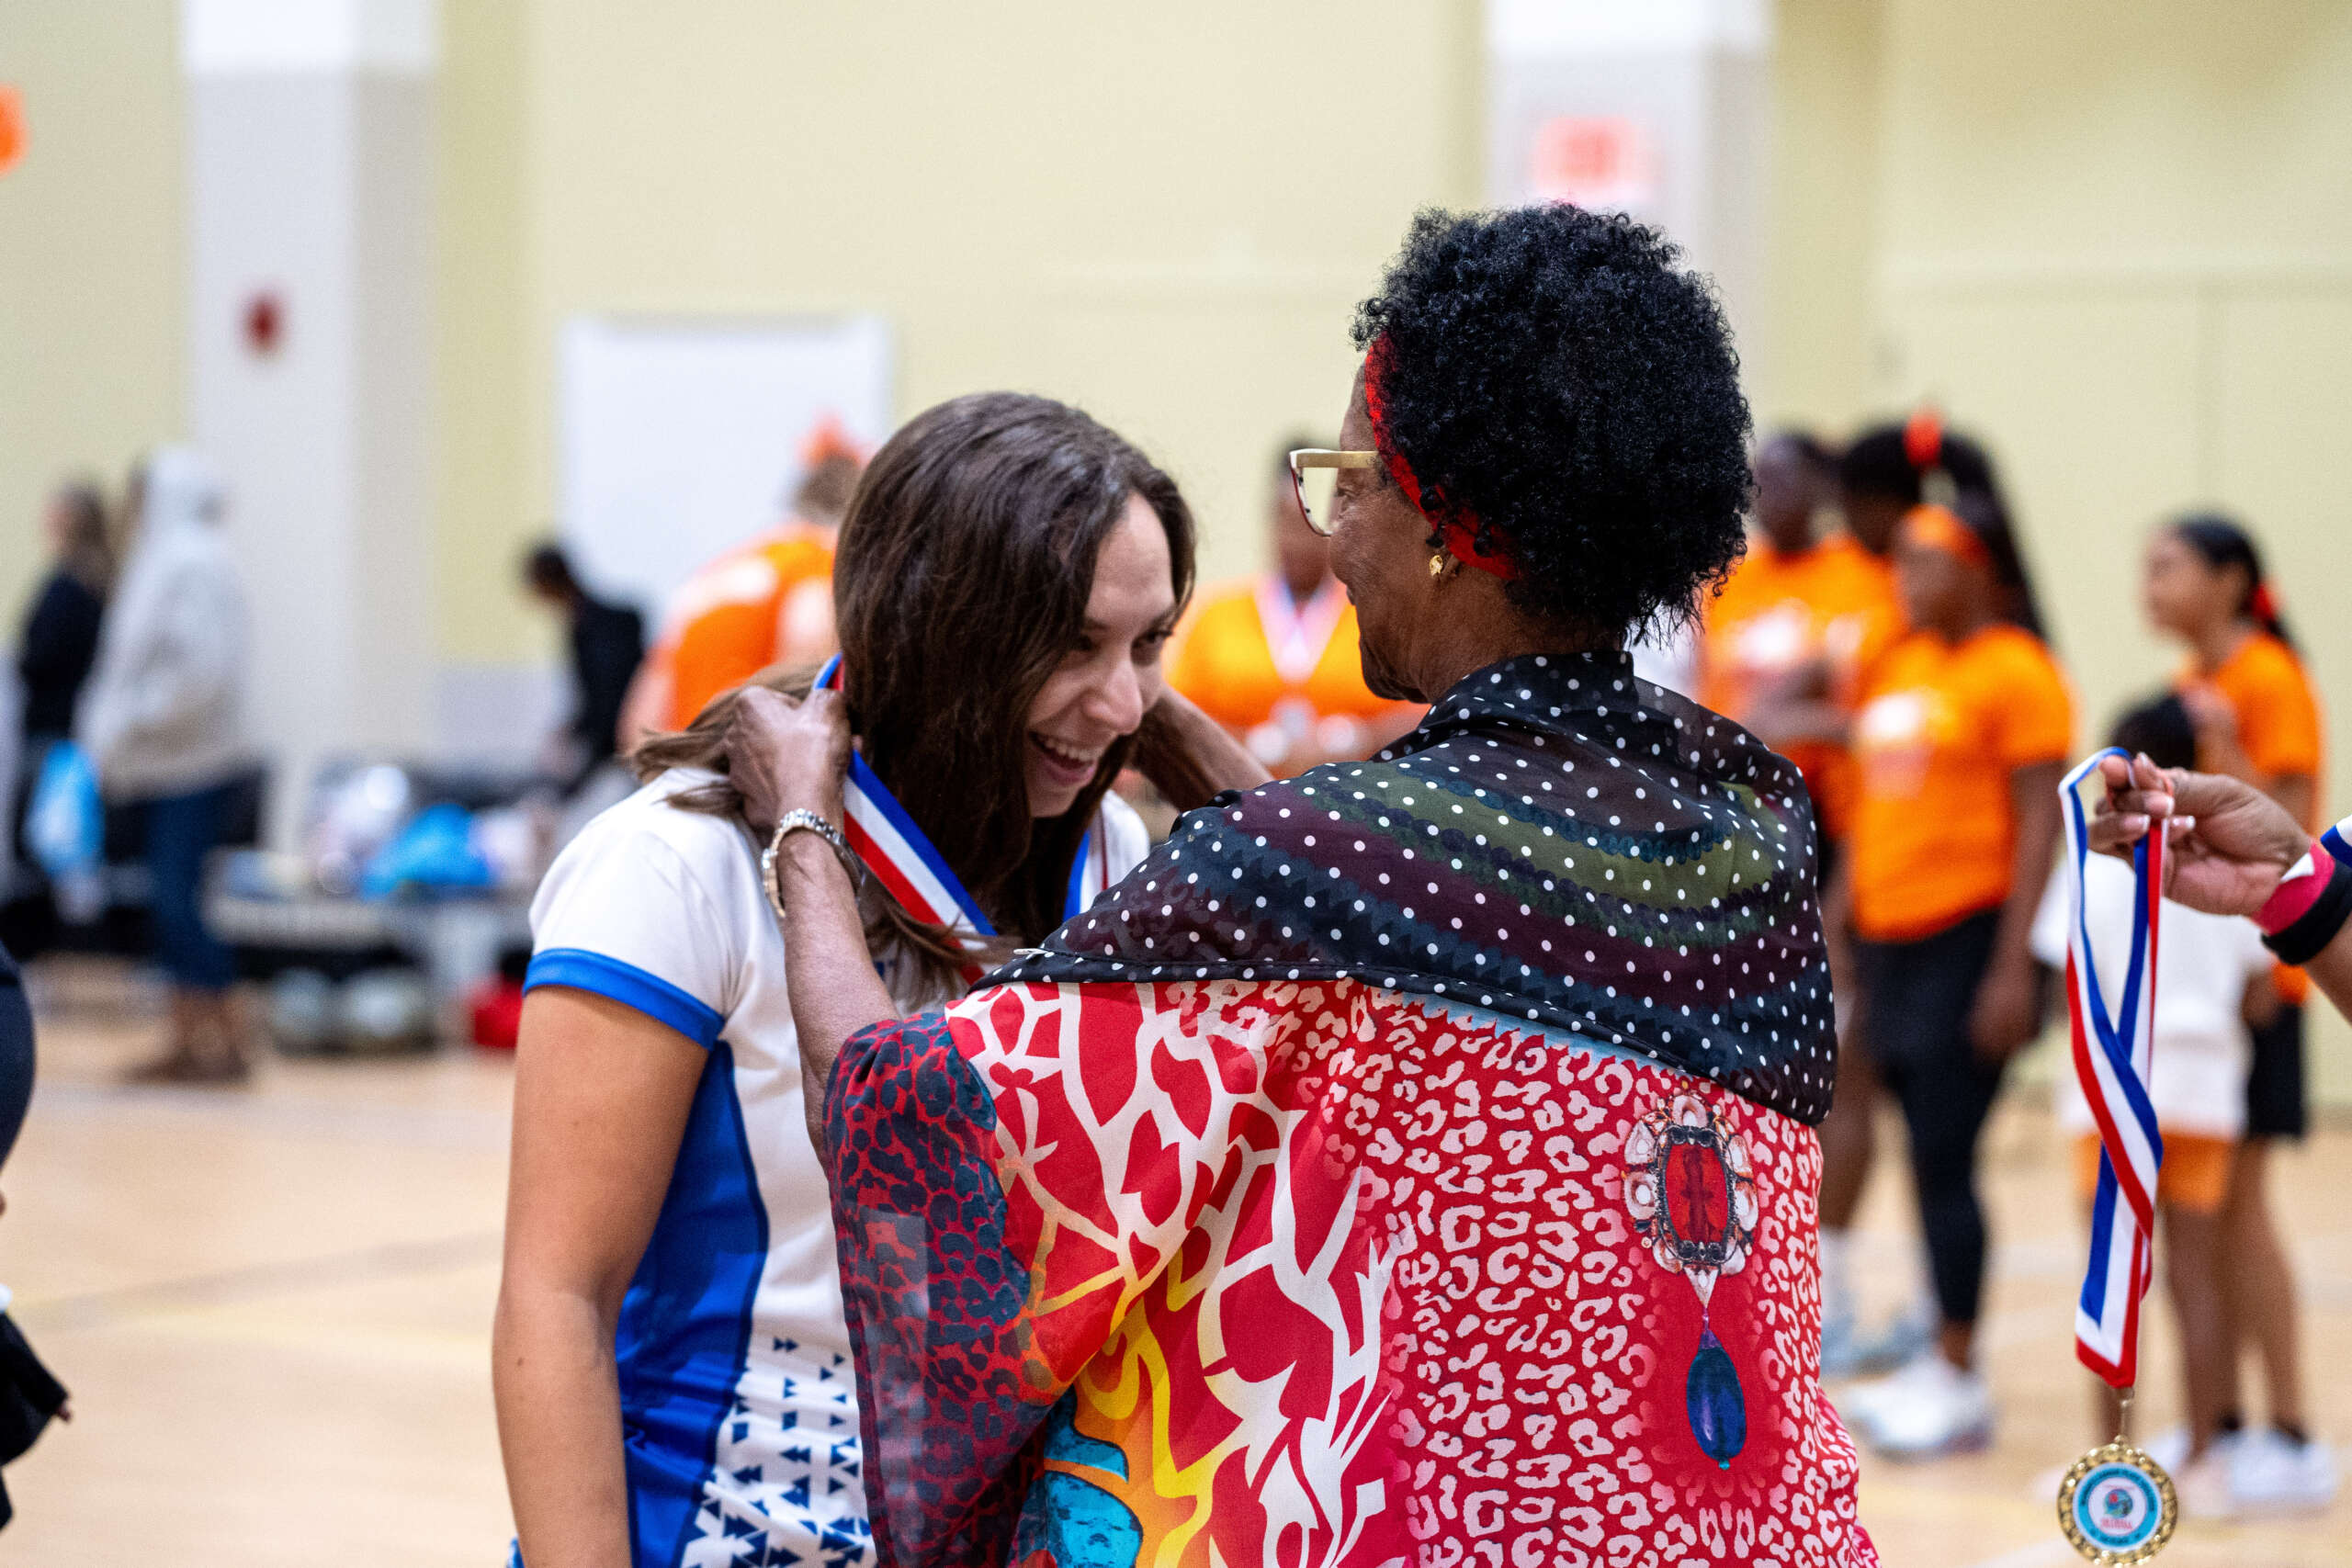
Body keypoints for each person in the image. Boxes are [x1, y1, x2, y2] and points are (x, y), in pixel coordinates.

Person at [734, 206, 1871, 1565]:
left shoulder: (1322, 867)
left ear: (1450, 520)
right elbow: (1428, 926)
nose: (1335, 537)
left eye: (1354, 481)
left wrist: (802, 816)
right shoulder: (1749, 816)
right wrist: (1191, 738)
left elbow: (900, 1106)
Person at [492, 392, 1266, 1568]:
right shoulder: (675, 864)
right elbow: (557, 1300)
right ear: (941, 631)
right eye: (1072, 644)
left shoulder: (1111, 849)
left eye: (1146, 643)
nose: (1119, 704)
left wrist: (1172, 731)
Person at [1836, 491, 2071, 1457]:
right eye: (1900, 565)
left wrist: (2013, 968)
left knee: (1943, 1157)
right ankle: (1919, 1342)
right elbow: (1868, 811)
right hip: (1884, 942)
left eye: (1926, 563)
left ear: (1976, 570)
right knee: (1880, 1130)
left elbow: (2040, 827)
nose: (1906, 580)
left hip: (1966, 941)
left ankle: (1958, 1369)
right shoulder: (1898, 662)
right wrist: (1837, 920)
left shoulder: (2016, 670)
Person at [2028, 694, 2271, 1513]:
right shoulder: (2215, 856)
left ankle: (2109, 1466)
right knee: (2196, 1279)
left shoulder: (2085, 859)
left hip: (2106, 1097)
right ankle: (2205, 1459)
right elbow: (2260, 995)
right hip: (2203, 1087)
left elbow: (2059, 969)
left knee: (2111, 1280)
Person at [2139, 511, 2333, 1510]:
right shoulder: (2189, 687)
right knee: (2199, 1224)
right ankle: (2220, 1424)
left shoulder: (2263, 680)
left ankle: (2294, 1434)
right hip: (2206, 985)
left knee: (2244, 1213)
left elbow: (2288, 830)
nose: (2149, 583)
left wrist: (2219, 747)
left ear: (2229, 579)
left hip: (2268, 982)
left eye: (2168, 565)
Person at [78, 448, 255, 1084]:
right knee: (168, 903)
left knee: (179, 904)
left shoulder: (191, 562)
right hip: (163, 765)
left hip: (189, 764)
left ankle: (227, 1036)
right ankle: (188, 1039)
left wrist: (132, 721)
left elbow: (196, 673)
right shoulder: (168, 560)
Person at [1165, 435, 1421, 774]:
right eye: (1286, 522)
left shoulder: (1376, 612)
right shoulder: (1218, 616)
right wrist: (1253, 745)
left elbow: (1420, 716)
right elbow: (1180, 720)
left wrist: (1354, 738)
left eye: (1310, 524)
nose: (1297, 541)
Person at [619, 423, 865, 745]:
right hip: (747, 769)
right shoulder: (817, 563)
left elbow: (637, 726)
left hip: (683, 769)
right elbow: (808, 668)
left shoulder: (718, 573)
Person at [523, 543, 646, 796]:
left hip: (626, 742)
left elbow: (608, 703)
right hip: (614, 742)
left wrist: (571, 785)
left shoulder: (602, 628)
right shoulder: (586, 626)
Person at [17, 481, 111, 753]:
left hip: (55, 724)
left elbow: (41, 654)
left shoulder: (69, 585)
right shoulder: (105, 578)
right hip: (85, 718)